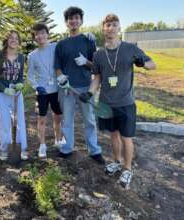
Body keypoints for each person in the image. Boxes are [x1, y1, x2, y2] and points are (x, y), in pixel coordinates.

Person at [79, 14, 156, 188]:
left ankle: (127, 169)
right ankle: (116, 161)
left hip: (126, 103)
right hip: (106, 103)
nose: (111, 28)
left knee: (126, 137)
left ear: (119, 28)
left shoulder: (130, 49)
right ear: (103, 29)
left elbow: (153, 64)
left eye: (114, 25)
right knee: (113, 135)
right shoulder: (98, 55)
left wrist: (142, 63)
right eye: (107, 25)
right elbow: (97, 77)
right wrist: (90, 93)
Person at [54, 6, 104, 164]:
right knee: (67, 121)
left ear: (81, 21)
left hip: (85, 87)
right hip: (67, 89)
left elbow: (96, 66)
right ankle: (67, 148)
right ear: (66, 23)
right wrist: (60, 76)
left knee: (89, 120)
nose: (73, 21)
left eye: (76, 18)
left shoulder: (88, 40)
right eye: (70, 19)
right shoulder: (61, 44)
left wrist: (86, 62)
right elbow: (57, 66)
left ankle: (94, 150)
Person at [0, 30, 28, 161]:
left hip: (17, 94)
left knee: (20, 121)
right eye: (11, 38)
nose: (14, 40)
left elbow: (21, 76)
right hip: (1, 94)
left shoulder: (21, 57)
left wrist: (20, 84)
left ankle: (22, 148)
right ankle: (5, 149)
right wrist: (4, 89)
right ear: (6, 40)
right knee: (4, 122)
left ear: (19, 41)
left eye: (16, 38)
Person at [28, 23, 64, 158]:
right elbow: (30, 75)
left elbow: (70, 44)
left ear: (47, 34)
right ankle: (42, 145)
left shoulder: (55, 47)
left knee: (58, 117)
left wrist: (86, 38)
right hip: (42, 92)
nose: (40, 36)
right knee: (41, 119)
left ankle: (58, 139)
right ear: (34, 38)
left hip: (56, 90)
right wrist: (36, 86)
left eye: (42, 33)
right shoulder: (32, 55)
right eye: (36, 34)